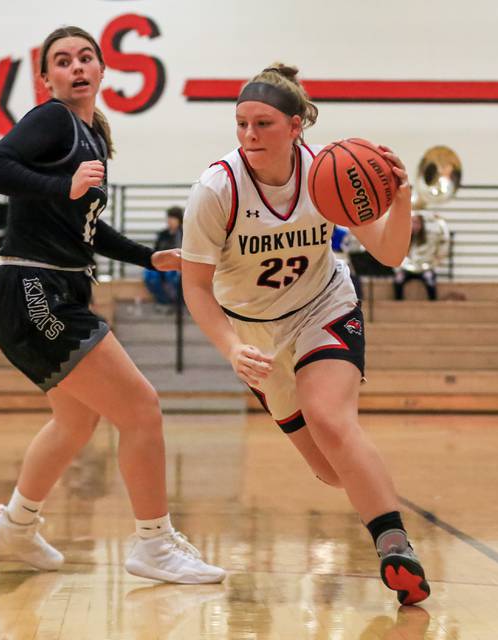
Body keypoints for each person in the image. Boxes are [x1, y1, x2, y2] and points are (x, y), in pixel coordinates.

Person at [0, 25, 224, 584]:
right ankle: (153, 544)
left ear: (103, 69)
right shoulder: (53, 119)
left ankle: (16, 524)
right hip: (34, 289)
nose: (77, 67)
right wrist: (62, 185)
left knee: (76, 419)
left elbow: (84, 224)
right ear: (48, 78)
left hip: (54, 286)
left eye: (86, 57)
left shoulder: (91, 136)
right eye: (63, 61)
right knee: (141, 408)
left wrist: (145, 256)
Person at [181, 63, 430, 605]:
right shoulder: (215, 190)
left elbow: (389, 254)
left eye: (263, 124)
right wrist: (231, 348)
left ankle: (395, 548)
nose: (249, 135)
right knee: (329, 470)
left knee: (330, 418)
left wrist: (402, 195)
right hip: (255, 334)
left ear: (297, 126)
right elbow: (196, 288)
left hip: (324, 306)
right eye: (241, 123)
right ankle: (369, 482)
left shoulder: (325, 173)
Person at [144, 206, 183, 307]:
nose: (170, 221)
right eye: (169, 218)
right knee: (149, 275)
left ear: (179, 220)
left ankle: (176, 301)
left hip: (176, 266)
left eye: (173, 218)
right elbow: (155, 251)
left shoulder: (183, 234)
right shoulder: (163, 235)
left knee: (171, 276)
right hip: (161, 263)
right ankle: (164, 301)